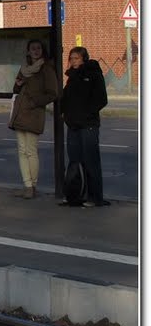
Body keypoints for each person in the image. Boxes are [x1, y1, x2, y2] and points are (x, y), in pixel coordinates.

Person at [8, 39, 60, 199]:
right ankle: (27, 185)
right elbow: (15, 89)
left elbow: (53, 93)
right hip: (20, 112)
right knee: (22, 151)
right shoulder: (24, 69)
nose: (36, 51)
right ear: (28, 51)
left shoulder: (46, 69)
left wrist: (34, 101)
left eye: (38, 48)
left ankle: (33, 186)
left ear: (43, 51)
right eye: (32, 48)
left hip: (33, 113)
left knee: (30, 151)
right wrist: (18, 84)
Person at [61, 46, 109, 207]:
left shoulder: (93, 74)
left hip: (88, 125)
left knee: (90, 160)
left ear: (84, 58)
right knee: (74, 160)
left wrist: (86, 114)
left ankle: (94, 197)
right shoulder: (72, 77)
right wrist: (64, 113)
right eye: (71, 58)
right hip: (73, 125)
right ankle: (74, 194)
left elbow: (101, 98)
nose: (73, 61)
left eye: (76, 58)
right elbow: (66, 98)